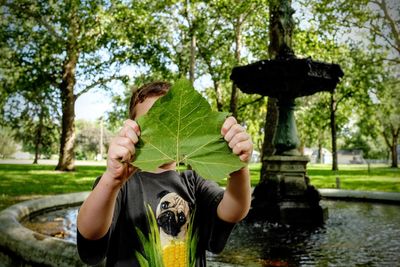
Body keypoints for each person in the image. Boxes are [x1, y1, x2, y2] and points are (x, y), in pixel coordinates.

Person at [77, 81, 253, 266]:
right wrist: (111, 180)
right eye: (153, 125)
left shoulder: (194, 181)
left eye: (167, 125)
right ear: (132, 131)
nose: (164, 136)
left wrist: (237, 166)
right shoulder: (120, 185)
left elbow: (233, 211)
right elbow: (90, 233)